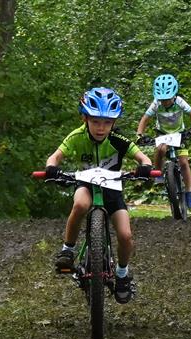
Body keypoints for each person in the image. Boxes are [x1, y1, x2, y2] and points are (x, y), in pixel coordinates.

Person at [47, 87, 152, 304]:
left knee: (125, 236)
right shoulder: (76, 136)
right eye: (95, 121)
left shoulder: (118, 140)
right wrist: (51, 168)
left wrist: (145, 166)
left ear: (114, 123)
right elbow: (55, 157)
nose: (101, 128)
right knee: (80, 205)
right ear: (84, 118)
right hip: (86, 184)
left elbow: (143, 158)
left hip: (113, 189)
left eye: (107, 122)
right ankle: (68, 249)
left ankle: (122, 275)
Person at [136, 74, 191, 209]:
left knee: (183, 162)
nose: (165, 102)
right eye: (162, 99)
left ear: (174, 94)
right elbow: (145, 118)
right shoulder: (156, 104)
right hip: (163, 133)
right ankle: (158, 174)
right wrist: (139, 134)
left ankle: (189, 192)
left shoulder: (179, 101)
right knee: (160, 149)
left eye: (167, 99)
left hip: (179, 134)